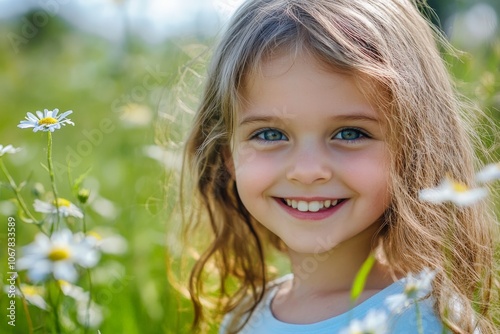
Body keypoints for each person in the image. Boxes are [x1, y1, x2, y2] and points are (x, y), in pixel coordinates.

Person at [179, 0, 499, 333]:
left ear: (414, 149)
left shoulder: (423, 322)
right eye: (269, 134)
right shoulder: (243, 318)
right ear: (227, 154)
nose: (307, 170)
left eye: (350, 133)